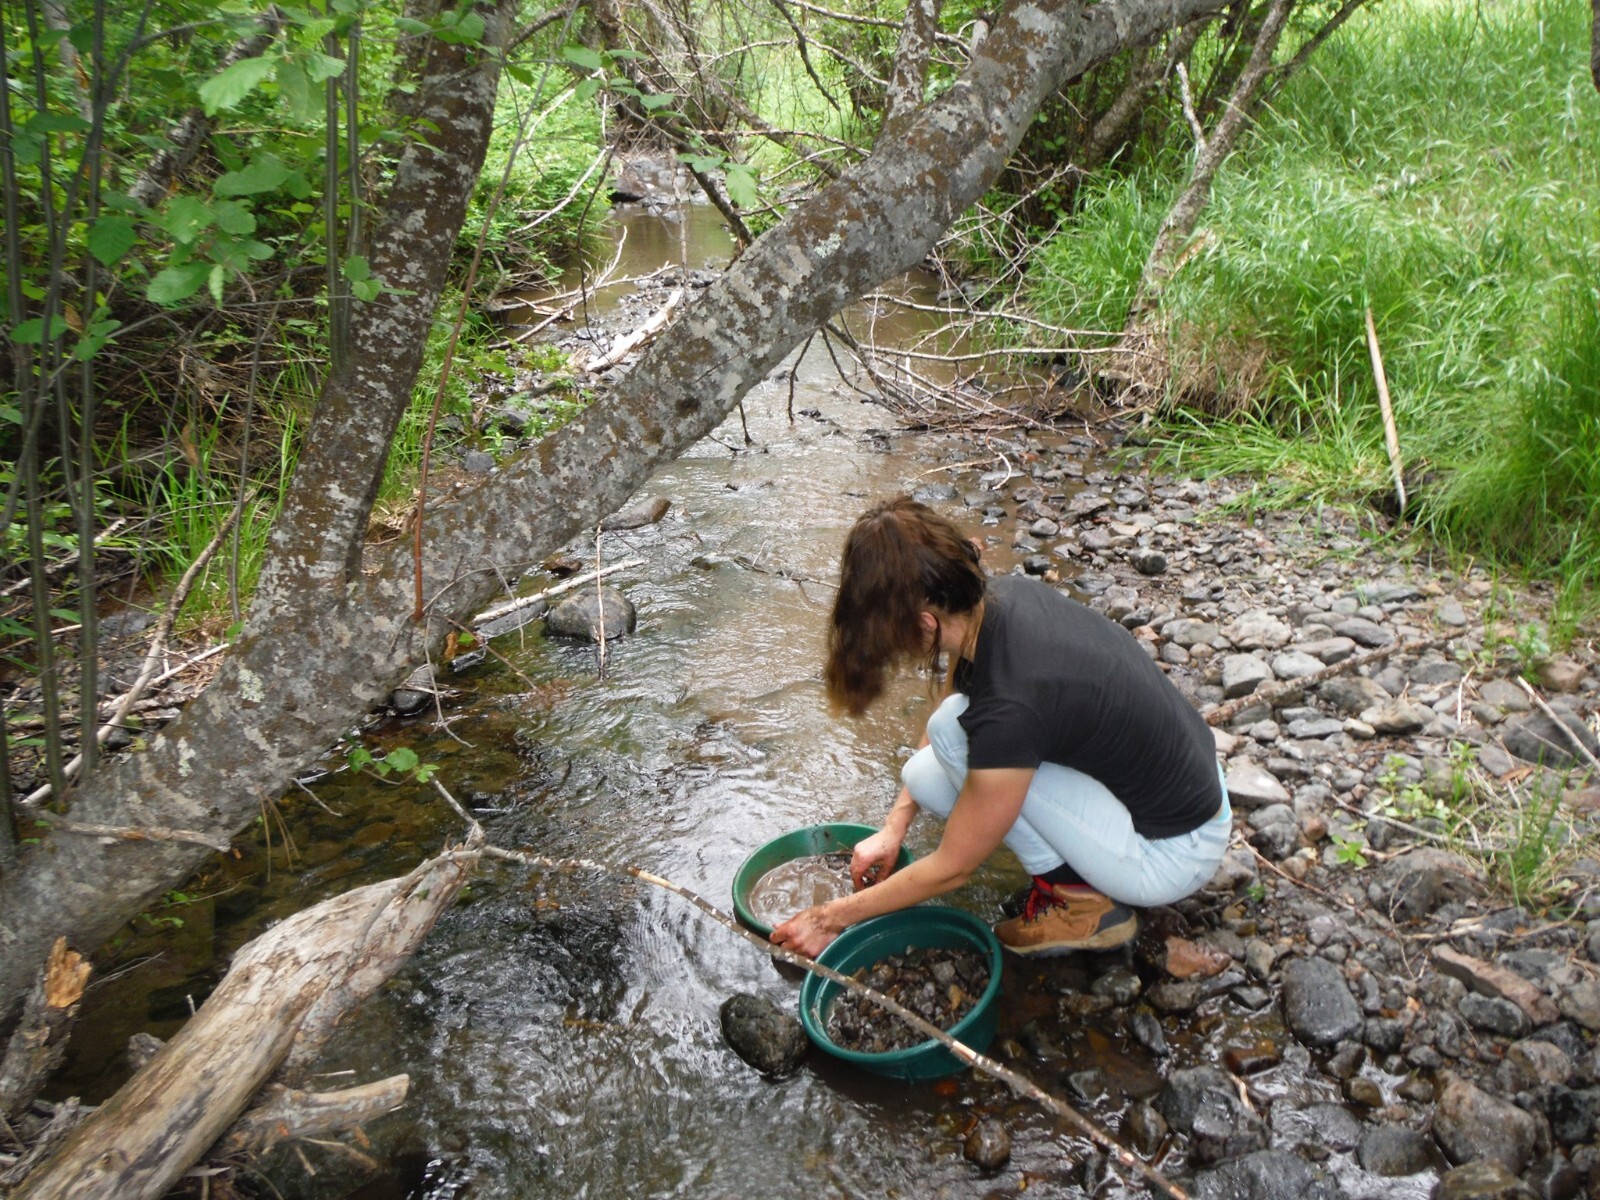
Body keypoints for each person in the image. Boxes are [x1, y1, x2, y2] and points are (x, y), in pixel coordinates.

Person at [769, 495, 1231, 959]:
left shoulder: (1011, 705)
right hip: (1189, 793)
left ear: (925, 622)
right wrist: (895, 827)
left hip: (1173, 854)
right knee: (931, 764)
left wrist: (828, 918)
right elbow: (952, 703)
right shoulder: (997, 601)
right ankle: (1070, 877)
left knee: (964, 746)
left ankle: (1080, 904)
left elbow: (953, 869)